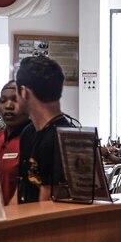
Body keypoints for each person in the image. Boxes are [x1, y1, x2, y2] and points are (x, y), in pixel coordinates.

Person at [16, 56, 80, 204]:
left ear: (24, 92)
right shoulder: (28, 132)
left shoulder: (60, 140)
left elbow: (47, 207)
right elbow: (21, 189)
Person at [0, 81, 29, 205]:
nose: (8, 105)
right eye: (3, 100)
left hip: (18, 219)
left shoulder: (35, 141)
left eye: (16, 100)